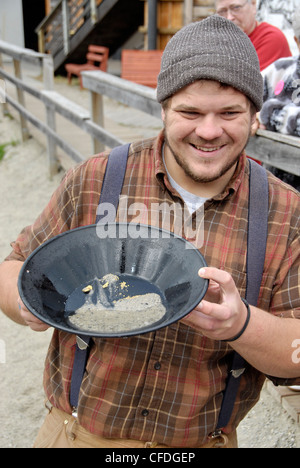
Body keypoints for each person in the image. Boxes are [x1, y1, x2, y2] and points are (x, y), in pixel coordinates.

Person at [0, 16, 299, 449]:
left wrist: (241, 324)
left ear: (255, 116)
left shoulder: (285, 214)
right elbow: (12, 270)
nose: (209, 130)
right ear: (162, 108)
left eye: (230, 113)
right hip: (77, 435)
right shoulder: (96, 179)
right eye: (190, 111)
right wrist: (27, 302)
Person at [259, 9, 300, 191]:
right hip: (275, 194)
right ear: (297, 42)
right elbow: (240, 101)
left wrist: (267, 114)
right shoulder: (282, 69)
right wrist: (247, 114)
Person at [215, 0, 292, 71]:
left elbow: (249, 82)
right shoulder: (217, 42)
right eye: (222, 11)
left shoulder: (271, 38)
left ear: (253, 5)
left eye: (236, 8)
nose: (229, 18)